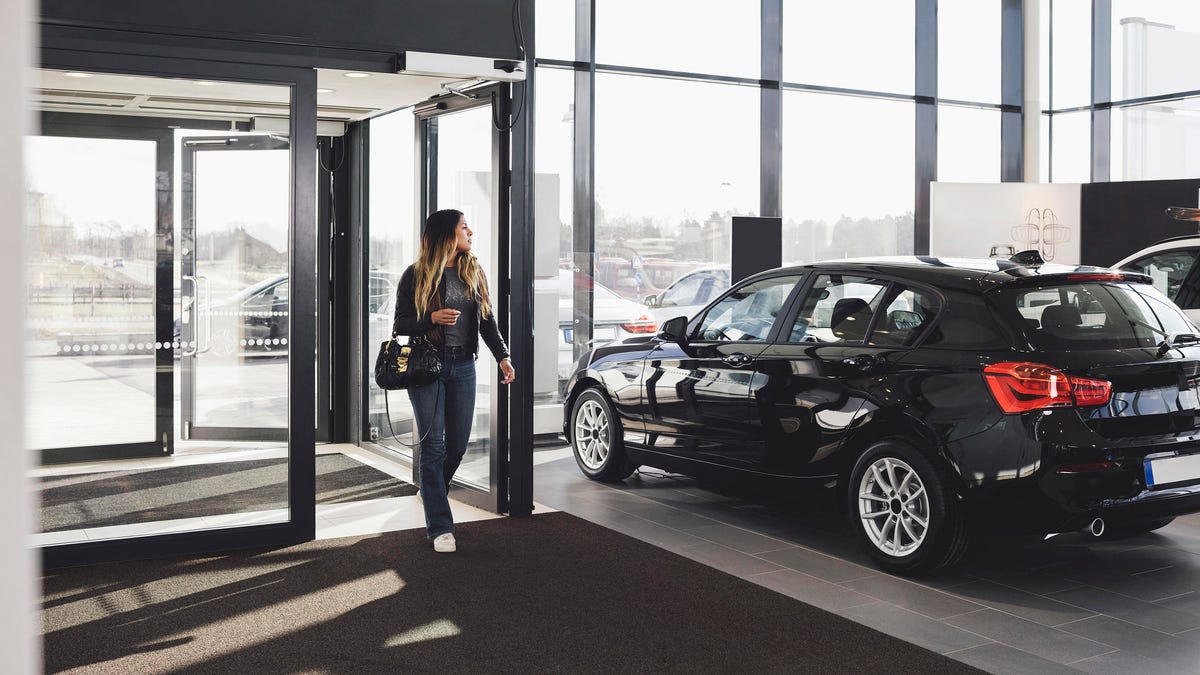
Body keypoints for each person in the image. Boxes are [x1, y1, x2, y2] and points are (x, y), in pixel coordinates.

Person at [392, 209, 515, 553]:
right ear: (448, 234)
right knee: (433, 447)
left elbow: (487, 322)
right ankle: (440, 527)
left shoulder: (473, 272)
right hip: (427, 368)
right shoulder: (415, 275)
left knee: (457, 446)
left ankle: (432, 491)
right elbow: (401, 324)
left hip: (463, 366)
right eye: (464, 227)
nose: (471, 231)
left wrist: (503, 356)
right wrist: (430, 317)